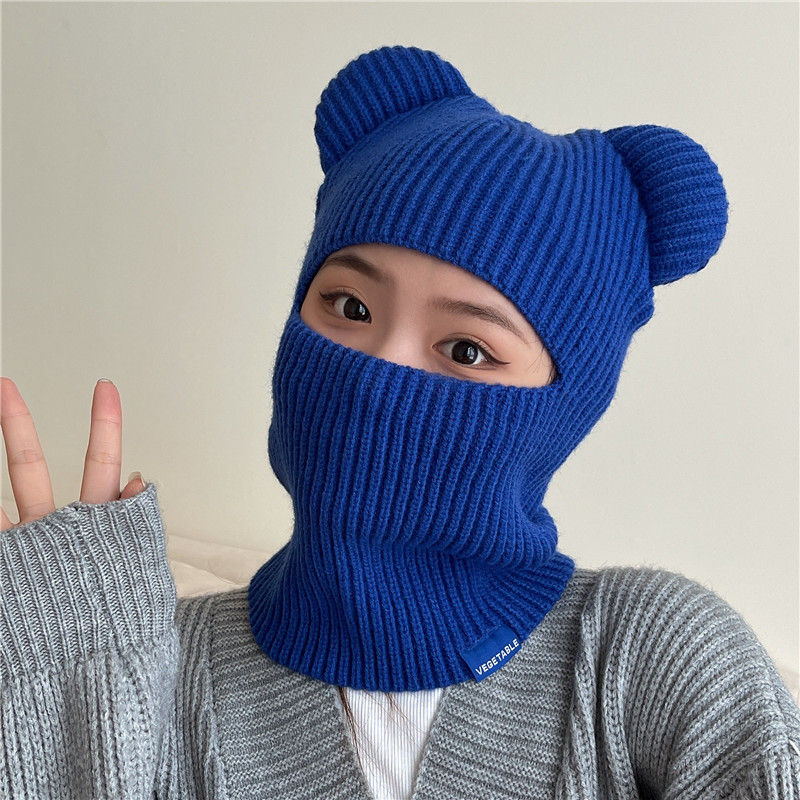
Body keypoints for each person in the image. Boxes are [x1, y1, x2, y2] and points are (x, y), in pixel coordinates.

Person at [1, 45, 798, 800]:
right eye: (349, 306)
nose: (377, 372)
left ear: (566, 406)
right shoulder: (150, 661)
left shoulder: (655, 657)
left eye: (467, 348)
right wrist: (65, 708)